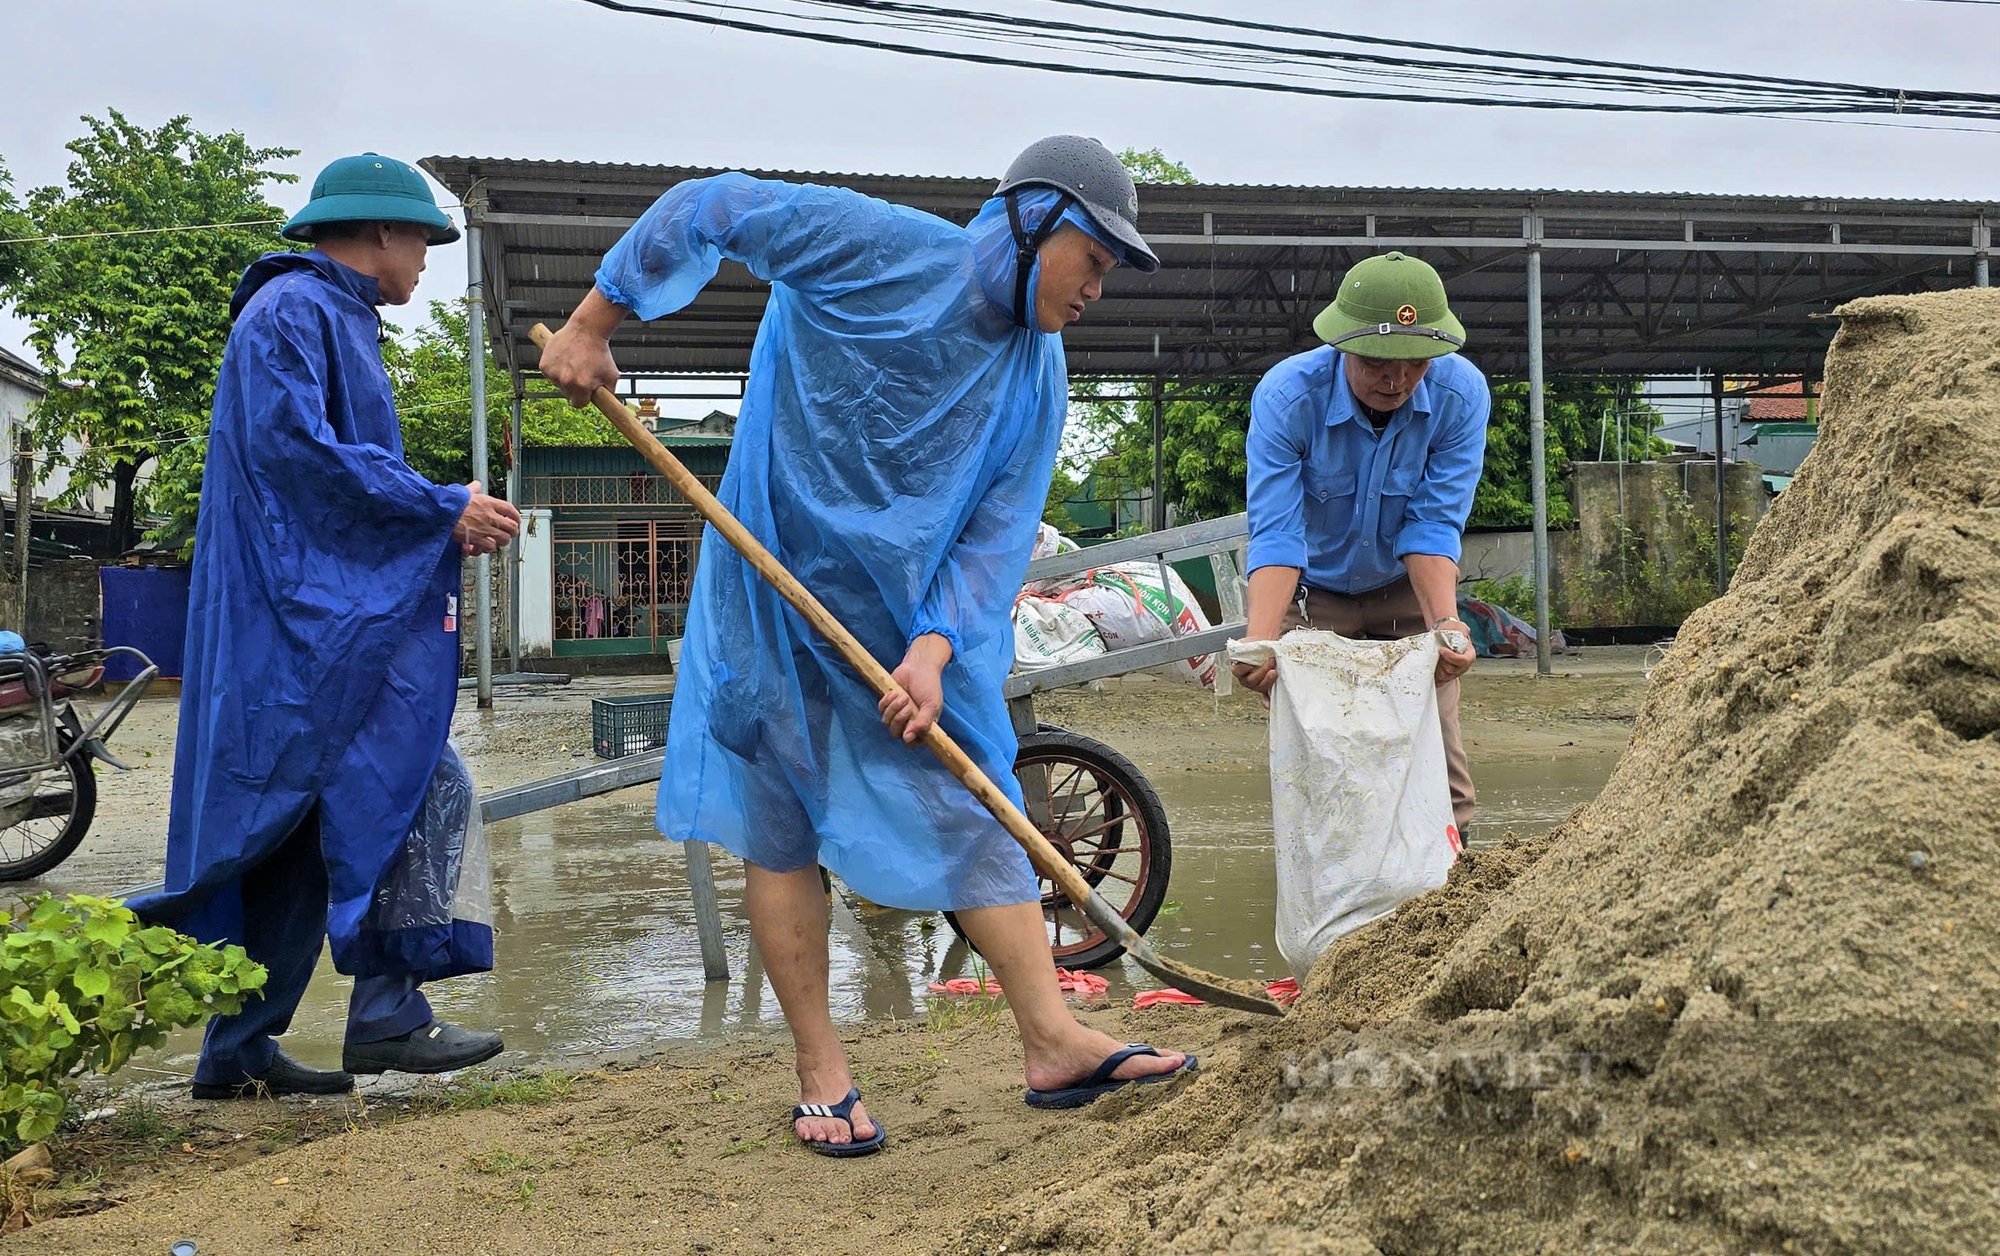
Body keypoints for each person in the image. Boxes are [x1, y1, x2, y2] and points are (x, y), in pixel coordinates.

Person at [539, 136, 1195, 1156]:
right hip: (773, 589)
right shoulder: (874, 247)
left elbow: (996, 528)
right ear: (1031, 221)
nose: (1097, 289)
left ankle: (1052, 1038)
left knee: (980, 799)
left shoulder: (1036, 368)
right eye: (1095, 259)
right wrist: (593, 321)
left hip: (910, 621)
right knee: (780, 817)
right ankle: (821, 1071)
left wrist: (934, 647)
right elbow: (713, 205)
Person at [132, 154, 522, 1100]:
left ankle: (238, 1051)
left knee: (297, 837)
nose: (427, 262)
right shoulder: (294, 313)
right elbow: (302, 459)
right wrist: (439, 509)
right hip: (299, 633)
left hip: (307, 622)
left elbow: (328, 472)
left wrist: (429, 515)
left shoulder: (329, 317)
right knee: (418, 782)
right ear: (382, 233)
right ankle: (387, 1017)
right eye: (424, 241)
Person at [1231, 251, 1488, 840]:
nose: (1395, 381)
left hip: (1407, 596)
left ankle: (1450, 904)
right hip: (1316, 599)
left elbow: (1433, 523)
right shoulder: (1287, 397)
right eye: (1376, 362)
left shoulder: (1460, 394)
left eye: (1415, 364)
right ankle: (1344, 922)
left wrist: (1446, 626)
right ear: (1342, 344)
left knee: (1439, 768)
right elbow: (1277, 531)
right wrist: (1261, 641)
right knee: (1326, 766)